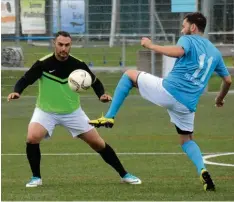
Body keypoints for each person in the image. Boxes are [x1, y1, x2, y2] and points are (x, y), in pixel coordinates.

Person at [89, 12, 232, 191]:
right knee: (187, 140)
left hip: (168, 91)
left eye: (184, 25)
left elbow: (178, 52)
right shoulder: (215, 53)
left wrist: (151, 45)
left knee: (128, 75)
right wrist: (219, 99)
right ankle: (202, 170)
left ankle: (109, 116)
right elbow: (227, 80)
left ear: (193, 27)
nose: (182, 29)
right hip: (187, 105)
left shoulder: (188, 40)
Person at [7, 31, 141, 187]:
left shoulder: (78, 65)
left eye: (67, 45)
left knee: (98, 143)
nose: (64, 48)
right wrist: (17, 91)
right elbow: (25, 80)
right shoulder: (43, 64)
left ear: (70, 45)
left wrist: (101, 95)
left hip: (72, 113)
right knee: (32, 137)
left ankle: (124, 174)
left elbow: (95, 82)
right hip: (46, 111)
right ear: (54, 44)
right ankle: (36, 177)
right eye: (60, 44)